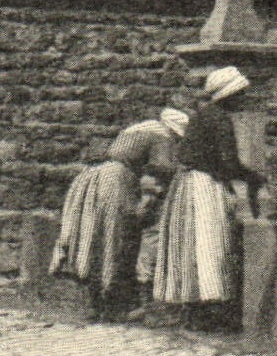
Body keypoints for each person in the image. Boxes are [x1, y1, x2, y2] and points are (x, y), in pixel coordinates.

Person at [52, 107, 188, 322]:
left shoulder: (139, 128)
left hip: (93, 178)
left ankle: (96, 303)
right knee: (114, 240)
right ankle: (112, 306)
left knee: (92, 238)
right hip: (115, 181)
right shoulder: (162, 135)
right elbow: (161, 167)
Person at [154, 67, 264, 330]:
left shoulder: (202, 115)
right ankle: (209, 315)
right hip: (205, 185)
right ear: (230, 94)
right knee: (211, 244)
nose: (243, 99)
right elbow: (228, 162)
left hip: (186, 185)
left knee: (189, 245)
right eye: (240, 94)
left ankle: (190, 313)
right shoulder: (219, 119)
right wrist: (252, 177)